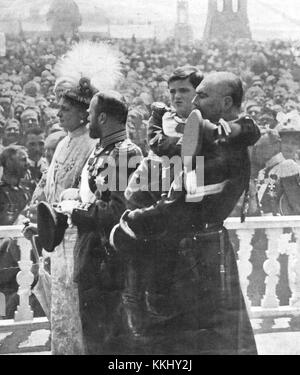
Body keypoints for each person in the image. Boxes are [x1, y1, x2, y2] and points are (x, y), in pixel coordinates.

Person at [109, 72, 260, 355]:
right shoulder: (216, 137)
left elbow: (181, 205)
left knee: (196, 341)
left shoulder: (226, 148)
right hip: (197, 249)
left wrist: (135, 221)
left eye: (201, 95)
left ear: (226, 103)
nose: (194, 101)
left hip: (197, 253)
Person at [37, 91, 143, 354]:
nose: (87, 118)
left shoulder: (123, 153)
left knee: (110, 343)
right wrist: (74, 198)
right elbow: (95, 196)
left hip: (108, 261)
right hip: (90, 258)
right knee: (94, 338)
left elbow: (115, 211)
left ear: (103, 117)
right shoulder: (103, 149)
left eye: (91, 113)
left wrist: (75, 209)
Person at [0, 145, 31, 225]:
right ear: (8, 163)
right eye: (23, 160)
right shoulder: (1, 192)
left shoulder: (25, 192)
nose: (28, 164)